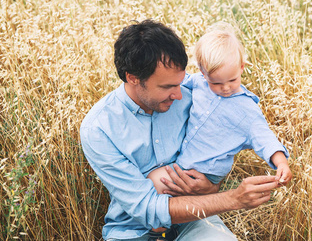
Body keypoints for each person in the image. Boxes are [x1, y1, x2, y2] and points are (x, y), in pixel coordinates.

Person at [80, 19, 281, 241]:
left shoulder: (196, 94)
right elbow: (147, 209)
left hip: (194, 220)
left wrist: (210, 187)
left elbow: (218, 151)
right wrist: (233, 199)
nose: (179, 94)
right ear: (133, 78)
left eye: (180, 82)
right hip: (133, 231)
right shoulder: (98, 129)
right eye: (167, 87)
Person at [147, 23, 292, 197]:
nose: (225, 88)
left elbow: (265, 138)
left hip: (206, 170)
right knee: (154, 186)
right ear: (202, 72)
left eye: (232, 80)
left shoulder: (246, 109)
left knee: (157, 183)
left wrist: (281, 163)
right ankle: (161, 223)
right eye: (216, 83)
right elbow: (178, 80)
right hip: (186, 160)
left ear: (241, 67)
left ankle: (160, 223)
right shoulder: (199, 82)